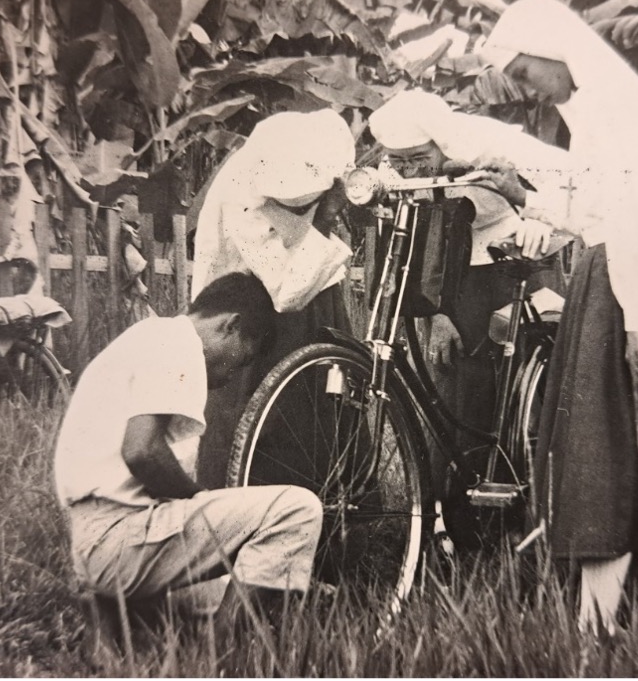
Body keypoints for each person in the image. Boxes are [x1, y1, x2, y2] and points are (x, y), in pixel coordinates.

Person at [479, 0, 638, 635]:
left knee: (615, 447)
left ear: (557, 52)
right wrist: (533, 207)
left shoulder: (615, 106)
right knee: (602, 447)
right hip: (614, 277)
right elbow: (592, 205)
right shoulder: (594, 108)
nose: (530, 92)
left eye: (528, 74)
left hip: (632, 283)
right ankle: (618, 617)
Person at [53, 272, 323, 646]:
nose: (232, 376)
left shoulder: (150, 336)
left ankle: (116, 613)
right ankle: (223, 653)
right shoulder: (177, 344)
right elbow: (142, 453)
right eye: (241, 361)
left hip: (96, 541)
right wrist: (199, 499)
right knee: (298, 508)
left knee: (230, 587)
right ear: (231, 326)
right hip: (118, 539)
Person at [367, 90, 570, 474]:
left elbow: (566, 178)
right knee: (457, 387)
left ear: (441, 145)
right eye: (400, 160)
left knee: (527, 382)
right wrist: (436, 316)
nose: (411, 171)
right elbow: (409, 243)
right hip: (455, 274)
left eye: (420, 159)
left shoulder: (487, 143)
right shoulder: (391, 170)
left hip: (521, 257)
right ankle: (453, 507)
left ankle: (532, 489)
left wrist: (539, 219)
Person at [191, 109, 356, 486]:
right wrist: (326, 218)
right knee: (256, 414)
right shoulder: (241, 196)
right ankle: (248, 507)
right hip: (253, 306)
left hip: (312, 286)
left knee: (329, 393)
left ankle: (336, 511)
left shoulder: (318, 147)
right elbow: (284, 293)